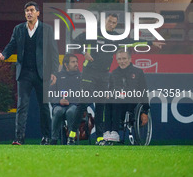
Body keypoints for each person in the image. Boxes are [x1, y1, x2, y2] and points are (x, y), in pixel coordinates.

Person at [67, 13, 164, 145]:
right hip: (89, 73)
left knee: (101, 105)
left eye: (114, 23)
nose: (111, 25)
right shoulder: (92, 32)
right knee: (83, 103)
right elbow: (74, 42)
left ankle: (100, 137)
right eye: (109, 21)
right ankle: (72, 135)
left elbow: (133, 41)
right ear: (104, 21)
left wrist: (151, 42)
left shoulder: (116, 37)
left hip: (104, 75)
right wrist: (84, 53)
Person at [0, 1, 59, 145]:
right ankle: (19, 138)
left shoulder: (47, 29)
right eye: (26, 11)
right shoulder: (18, 29)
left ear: (38, 13)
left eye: (31, 10)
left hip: (42, 73)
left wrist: (54, 72)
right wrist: (4, 55)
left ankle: (46, 137)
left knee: (44, 107)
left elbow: (54, 52)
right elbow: (12, 45)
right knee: (21, 106)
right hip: (24, 73)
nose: (29, 13)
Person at [104, 49, 149, 143]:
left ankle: (115, 133)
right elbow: (110, 89)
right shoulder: (114, 73)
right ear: (116, 60)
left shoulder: (138, 72)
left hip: (132, 103)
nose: (122, 61)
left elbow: (143, 91)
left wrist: (145, 111)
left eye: (124, 58)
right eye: (119, 59)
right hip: (117, 101)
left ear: (130, 59)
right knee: (108, 101)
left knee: (116, 102)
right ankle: (108, 132)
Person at [49, 54, 80, 145]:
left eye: (76, 62)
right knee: (58, 111)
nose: (76, 64)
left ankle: (71, 139)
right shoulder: (57, 76)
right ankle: (54, 139)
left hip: (74, 105)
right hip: (59, 105)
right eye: (73, 62)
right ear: (66, 65)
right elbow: (51, 95)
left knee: (71, 112)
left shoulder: (81, 76)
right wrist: (59, 100)